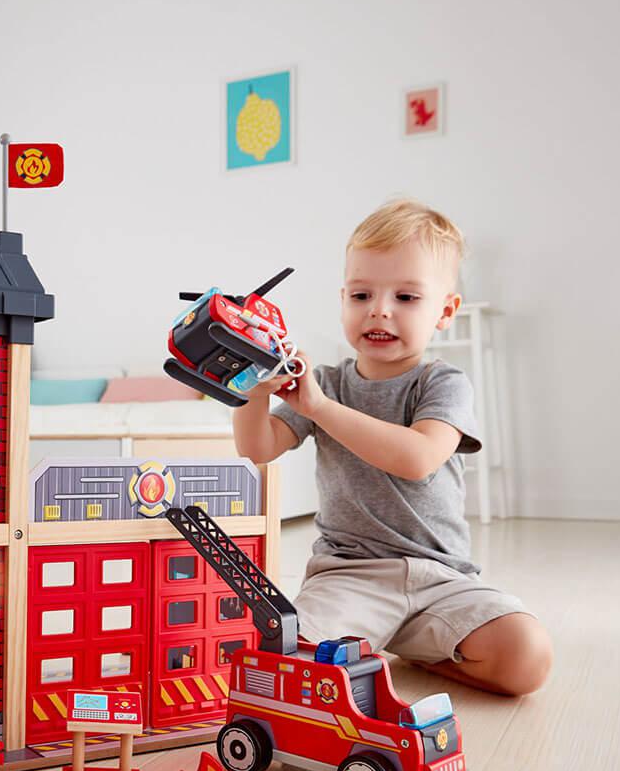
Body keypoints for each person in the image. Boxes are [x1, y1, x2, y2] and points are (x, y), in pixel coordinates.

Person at [233, 199, 552, 696]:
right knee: (285, 662)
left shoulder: (443, 383)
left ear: (445, 311)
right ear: (343, 300)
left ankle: (410, 654)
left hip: (442, 581)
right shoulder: (326, 383)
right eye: (361, 294)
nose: (379, 309)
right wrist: (252, 390)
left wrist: (320, 409)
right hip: (349, 577)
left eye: (406, 296)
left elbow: (417, 459)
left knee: (527, 657)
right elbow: (257, 448)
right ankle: (374, 649)